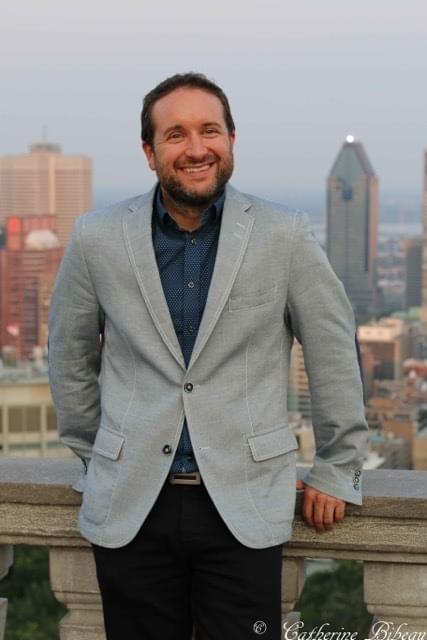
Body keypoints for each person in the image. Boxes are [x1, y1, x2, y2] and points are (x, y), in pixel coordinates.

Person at [48, 72, 368, 640]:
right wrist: (100, 458)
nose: (196, 148)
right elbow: (69, 357)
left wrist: (338, 467)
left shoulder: (284, 234)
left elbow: (333, 351)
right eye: (175, 135)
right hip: (130, 507)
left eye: (210, 130)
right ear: (149, 152)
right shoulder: (96, 237)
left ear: (231, 140)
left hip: (245, 504)